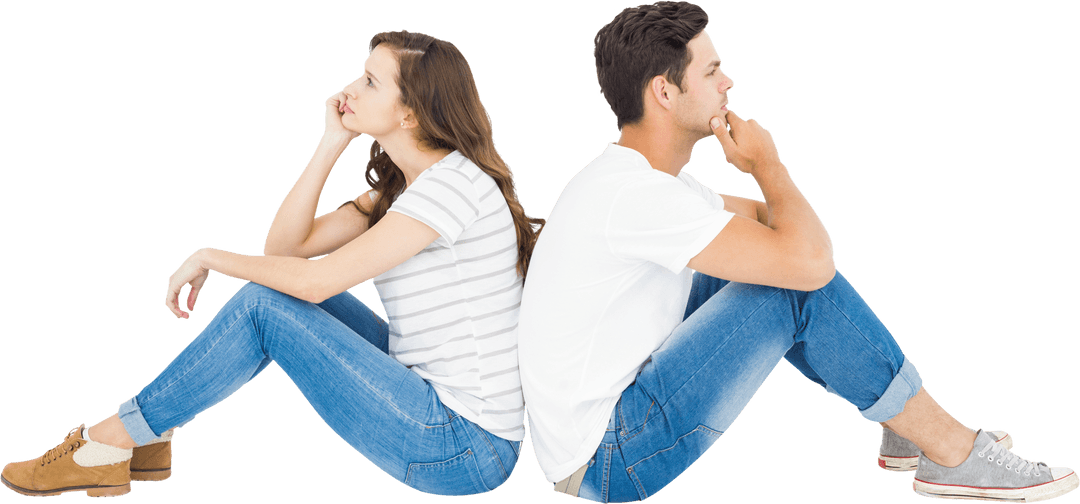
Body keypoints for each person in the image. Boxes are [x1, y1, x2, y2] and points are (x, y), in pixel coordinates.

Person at [516, 2, 1078, 503]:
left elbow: (770, 225)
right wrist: (768, 164)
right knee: (791, 288)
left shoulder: (646, 184)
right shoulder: (636, 197)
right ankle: (954, 453)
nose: (728, 82)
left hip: (596, 438)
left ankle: (907, 422)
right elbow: (808, 261)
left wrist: (776, 215)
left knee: (761, 267)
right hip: (610, 461)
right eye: (712, 72)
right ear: (664, 92)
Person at [1, 29, 542, 499]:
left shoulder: (449, 189)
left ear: (411, 111)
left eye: (371, 83)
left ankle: (113, 441)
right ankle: (143, 438)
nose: (350, 90)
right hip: (432, 402)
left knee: (264, 306)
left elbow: (314, 281)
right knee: (272, 294)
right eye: (360, 74)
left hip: (462, 445)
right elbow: (286, 251)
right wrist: (331, 143)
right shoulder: (405, 189)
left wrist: (212, 255)